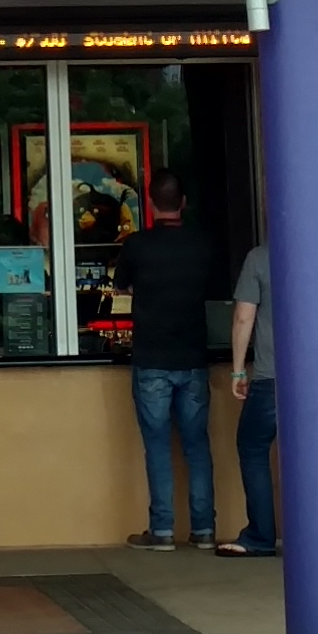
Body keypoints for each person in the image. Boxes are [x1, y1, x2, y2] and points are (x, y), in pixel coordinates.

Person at [112, 181, 222, 549]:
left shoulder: (137, 245)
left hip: (152, 360)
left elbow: (121, 287)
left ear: (150, 202)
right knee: (197, 446)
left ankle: (161, 531)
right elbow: (214, 289)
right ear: (184, 202)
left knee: (158, 447)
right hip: (193, 358)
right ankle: (204, 529)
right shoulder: (202, 244)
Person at [216, 237, 285, 555]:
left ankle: (260, 535)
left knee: (253, 447)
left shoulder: (259, 258)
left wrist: (238, 370)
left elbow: (244, 316)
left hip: (272, 377)